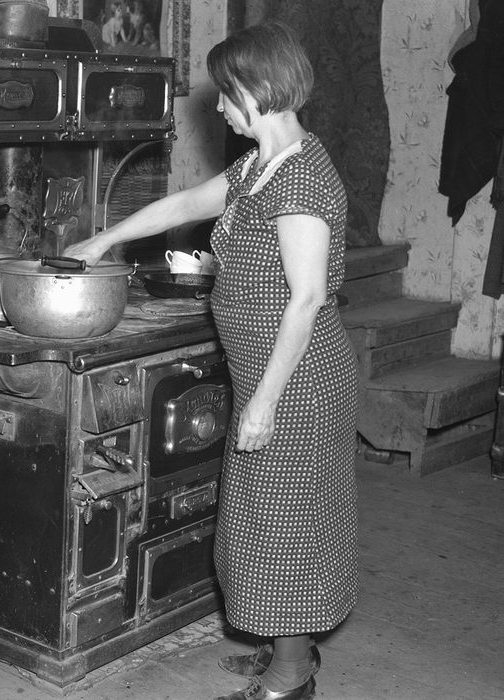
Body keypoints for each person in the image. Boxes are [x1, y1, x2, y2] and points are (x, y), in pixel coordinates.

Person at [64, 22, 359, 700]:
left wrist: (263, 401)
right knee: (269, 518)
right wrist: (102, 241)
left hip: (298, 378)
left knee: (284, 524)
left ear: (258, 91)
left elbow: (308, 298)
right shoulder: (263, 165)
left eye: (227, 96)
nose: (220, 108)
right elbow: (184, 204)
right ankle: (294, 649)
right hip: (269, 370)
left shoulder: (302, 180)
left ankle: (291, 678)